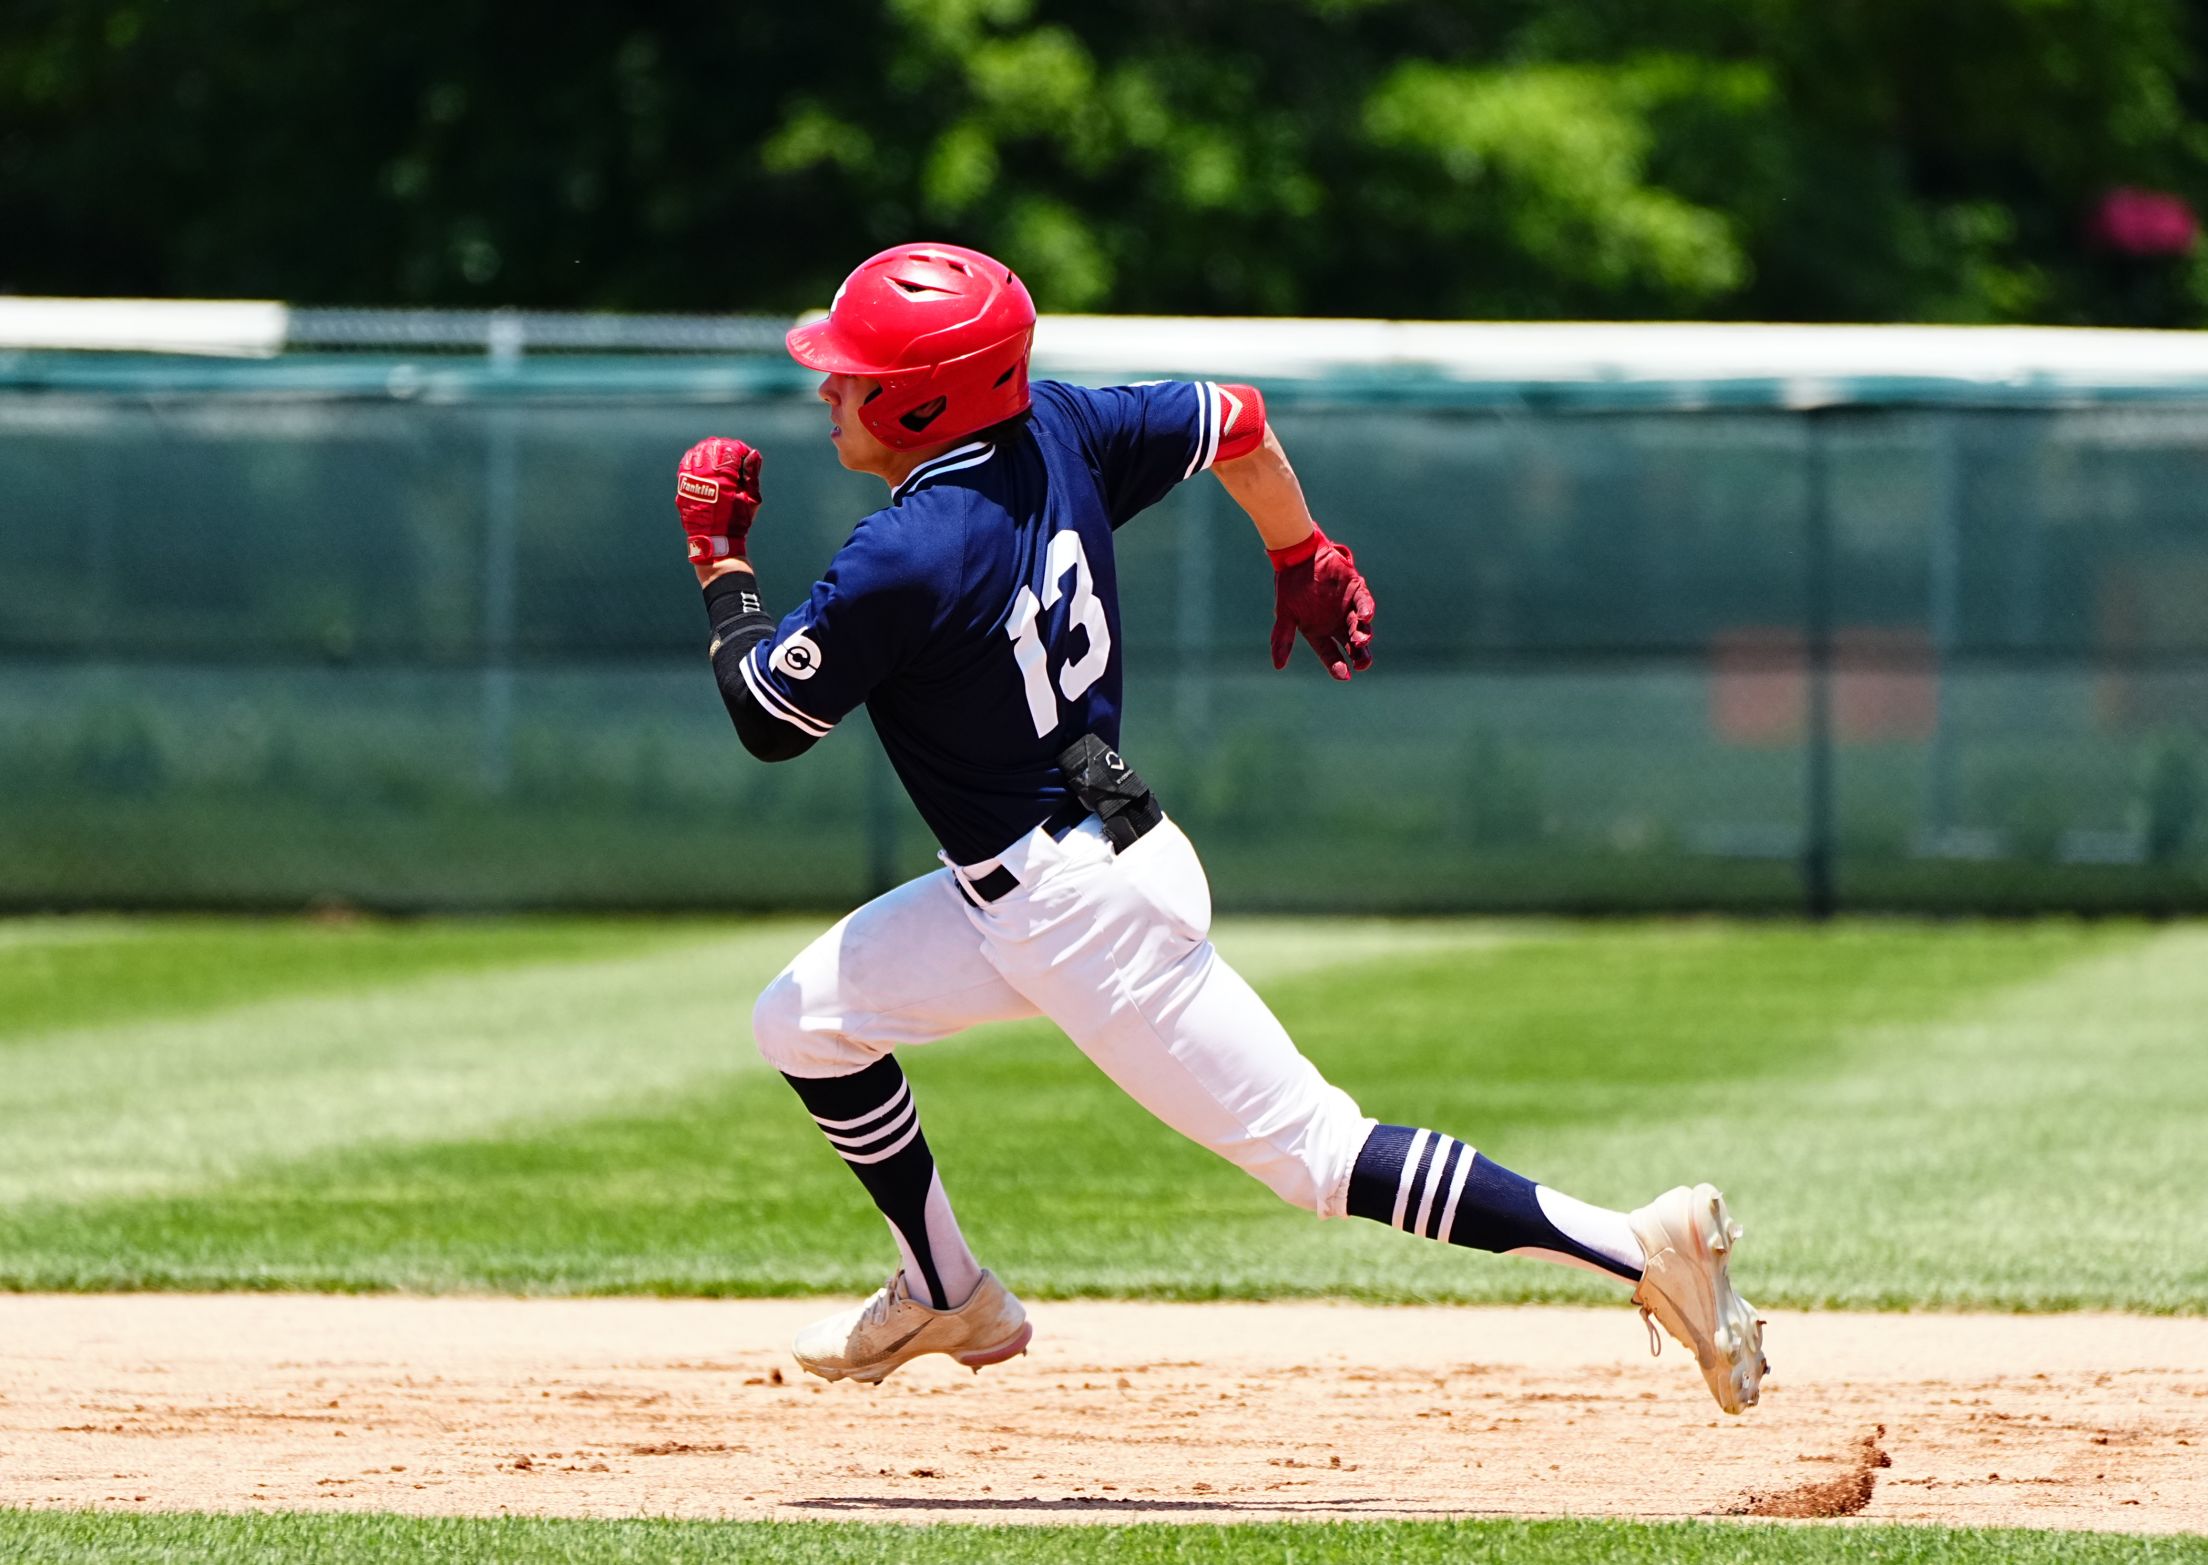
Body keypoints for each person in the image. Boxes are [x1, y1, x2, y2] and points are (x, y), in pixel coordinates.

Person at [676, 242, 1767, 1413]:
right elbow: (1238, 419)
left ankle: (1639, 1247)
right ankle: (947, 1287)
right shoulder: (1061, 428)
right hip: (1055, 865)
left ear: (923, 397)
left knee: (1321, 1154)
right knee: (802, 1019)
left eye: (853, 370)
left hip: (1074, 910)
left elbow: (768, 719)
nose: (828, 387)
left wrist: (721, 558)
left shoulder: (905, 550)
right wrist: (1300, 548)